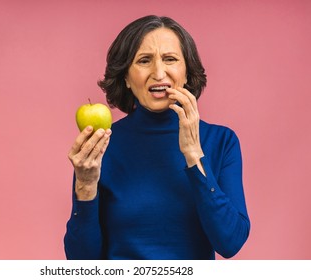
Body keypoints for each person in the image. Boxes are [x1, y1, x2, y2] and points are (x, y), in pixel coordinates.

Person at [64, 15, 250, 260]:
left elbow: (230, 242)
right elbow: (81, 263)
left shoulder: (221, 141)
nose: (159, 72)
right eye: (144, 61)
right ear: (127, 78)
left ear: (186, 72)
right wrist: (85, 185)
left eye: (170, 59)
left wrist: (194, 153)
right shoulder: (103, 144)